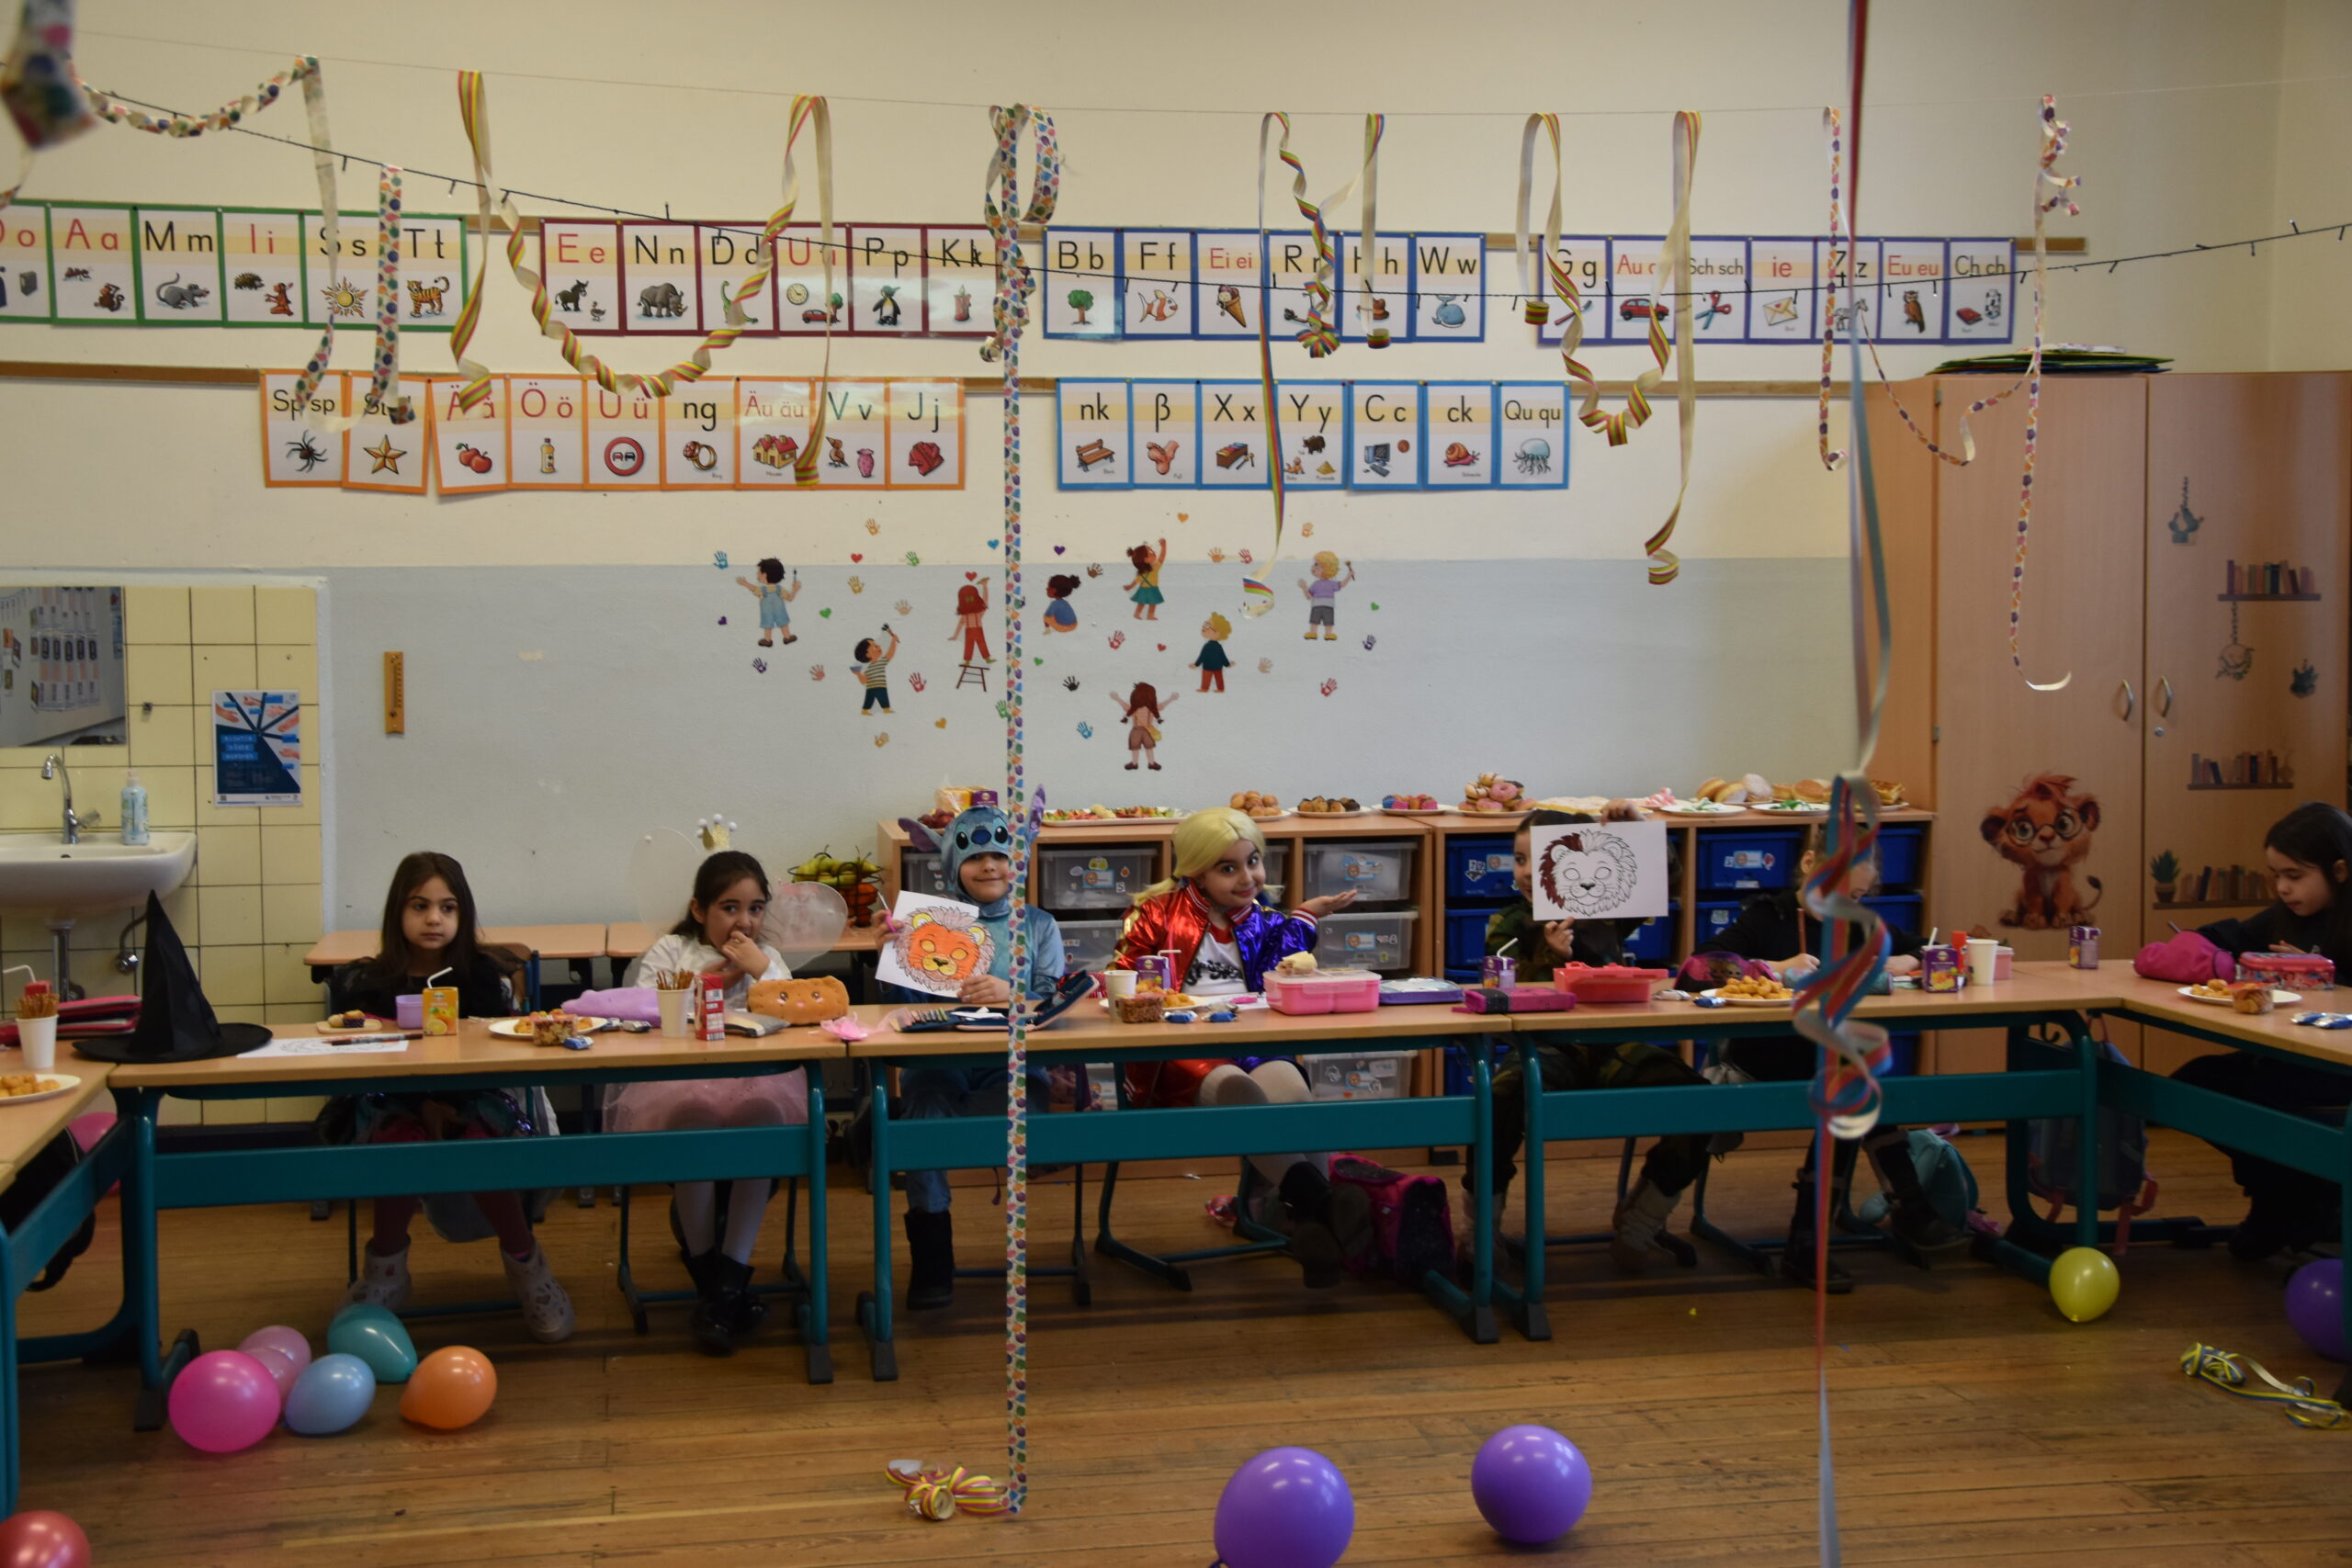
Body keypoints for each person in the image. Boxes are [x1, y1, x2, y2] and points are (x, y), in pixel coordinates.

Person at [326, 852, 573, 1341]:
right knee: (397, 1143)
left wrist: (450, 1102)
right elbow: (367, 1062)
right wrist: (423, 1104)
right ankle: (385, 1272)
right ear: (398, 912)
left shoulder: (482, 978)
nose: (434, 919)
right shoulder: (371, 983)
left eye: (448, 907)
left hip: (473, 1097)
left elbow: (495, 1057)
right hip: (395, 1100)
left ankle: (527, 1265)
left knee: (480, 1143)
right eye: (419, 906)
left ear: (463, 914)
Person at [1112, 808, 1358, 1285]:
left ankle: (1313, 1227)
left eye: (1253, 862)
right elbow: (1121, 976)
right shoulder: (1157, 913)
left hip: (1250, 1038)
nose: (1247, 878)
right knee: (1234, 1088)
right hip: (1177, 1049)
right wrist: (1139, 990)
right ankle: (1320, 1204)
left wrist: (1307, 915)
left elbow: (1285, 958)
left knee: (1292, 1089)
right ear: (1195, 871)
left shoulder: (1261, 919)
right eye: (1228, 868)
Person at [1705, 827, 1957, 1292]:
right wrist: (1776, 967)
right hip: (1762, 1057)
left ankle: (1811, 1238)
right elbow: (1703, 964)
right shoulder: (1770, 916)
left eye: (1857, 896)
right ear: (1808, 865)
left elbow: (1929, 948)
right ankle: (1905, 1206)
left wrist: (1909, 960)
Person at [1472, 807, 1712, 1271]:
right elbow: (1500, 984)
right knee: (1498, 1102)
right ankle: (1481, 1230)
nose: (1526, 872)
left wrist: (1638, 831)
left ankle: (1642, 1219)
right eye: (1519, 860)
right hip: (1544, 1049)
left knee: (1698, 1101)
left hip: (1611, 1046)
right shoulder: (1509, 922)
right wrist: (1549, 954)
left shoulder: (1606, 908)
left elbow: (1662, 879)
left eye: (1539, 859)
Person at [613, 851, 804, 1355]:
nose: (745, 922)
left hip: (756, 1084)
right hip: (683, 1084)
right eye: (729, 908)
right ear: (699, 910)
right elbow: (641, 1015)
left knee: (765, 1120)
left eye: (756, 909)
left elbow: (797, 1011)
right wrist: (709, 984)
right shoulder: (672, 950)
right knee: (692, 1119)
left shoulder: (767, 958)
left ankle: (728, 1281)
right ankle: (716, 1283)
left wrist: (763, 972)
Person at [878, 806, 1067, 1309]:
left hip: (1015, 1065)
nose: (989, 866)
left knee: (1018, 1105)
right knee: (924, 1111)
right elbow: (903, 1008)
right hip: (941, 1063)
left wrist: (1014, 993)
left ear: (1016, 860)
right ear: (950, 864)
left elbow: (1057, 1002)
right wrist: (892, 955)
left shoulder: (1038, 926)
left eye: (999, 855)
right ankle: (932, 1260)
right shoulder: (928, 923)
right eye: (974, 856)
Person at [2172, 801, 2352, 1259]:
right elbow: (2228, 937)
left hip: (2336, 1069)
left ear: (2340, 870)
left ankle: (2295, 1202)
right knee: (2193, 1085)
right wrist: (2192, 949)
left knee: (2245, 1095)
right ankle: (2283, 1199)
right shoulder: (2288, 914)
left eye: (2295, 875)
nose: (2283, 888)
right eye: (2276, 875)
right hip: (2290, 1057)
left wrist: (2322, 977)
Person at [734, 558, 799, 648]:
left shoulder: (763, 590)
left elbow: (753, 589)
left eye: (758, 572)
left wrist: (745, 583)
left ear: (764, 575)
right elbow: (789, 598)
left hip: (767, 611)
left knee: (769, 624)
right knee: (782, 622)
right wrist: (795, 590)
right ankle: (786, 637)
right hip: (778, 610)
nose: (757, 574)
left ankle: (768, 640)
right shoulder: (779, 589)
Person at [1114, 682, 1174, 772]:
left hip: (1138, 730)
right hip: (1147, 730)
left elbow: (1125, 706)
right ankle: (1150, 763)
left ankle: (1135, 764)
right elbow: (1162, 706)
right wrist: (1171, 699)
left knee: (1137, 748)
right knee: (1147, 748)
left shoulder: (1134, 708)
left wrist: (1117, 699)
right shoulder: (1152, 708)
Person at [1297, 551, 1354, 641]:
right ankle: (1313, 633)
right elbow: (1309, 597)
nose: (1313, 568)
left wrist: (1349, 576)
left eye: (1316, 565)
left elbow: (1342, 584)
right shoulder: (1315, 584)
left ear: (1327, 568)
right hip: (1317, 606)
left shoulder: (1331, 584)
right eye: (1314, 564)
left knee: (1329, 622)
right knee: (1314, 621)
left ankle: (1328, 634)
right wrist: (1304, 588)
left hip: (1328, 606)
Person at [852, 626, 899, 716]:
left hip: (878, 686)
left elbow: (890, 653)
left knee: (881, 698)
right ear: (868, 654)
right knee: (870, 700)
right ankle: (867, 710)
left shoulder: (880, 662)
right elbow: (864, 681)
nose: (879, 646)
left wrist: (893, 641)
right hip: (873, 687)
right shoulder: (870, 668)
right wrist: (858, 674)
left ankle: (885, 709)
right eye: (875, 646)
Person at [950, 578, 992, 664]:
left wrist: (985, 586)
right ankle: (967, 660)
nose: (969, 600)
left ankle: (987, 658)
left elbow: (985, 601)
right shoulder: (965, 616)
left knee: (981, 644)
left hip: (977, 630)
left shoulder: (979, 613)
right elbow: (960, 625)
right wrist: (955, 636)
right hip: (969, 631)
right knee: (969, 645)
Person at [1125, 538, 1166, 621]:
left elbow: (1136, 581)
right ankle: (1149, 616)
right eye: (1150, 552)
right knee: (1152, 604)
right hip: (1152, 589)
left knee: (1142, 603)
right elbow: (1162, 557)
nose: (1154, 552)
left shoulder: (1142, 572)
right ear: (1145, 559)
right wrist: (1164, 546)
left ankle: (1138, 614)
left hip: (1143, 590)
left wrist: (1130, 587)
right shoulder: (1155, 568)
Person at [1192, 613, 1233, 693]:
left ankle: (1205, 688)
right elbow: (1223, 656)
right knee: (1218, 677)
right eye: (1205, 624)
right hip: (1217, 666)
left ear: (1218, 633)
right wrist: (1227, 664)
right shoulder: (1218, 646)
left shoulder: (1207, 646)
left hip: (1208, 666)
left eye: (1207, 626)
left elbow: (1202, 656)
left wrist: (1196, 665)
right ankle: (1220, 689)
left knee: (1207, 678)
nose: (1204, 627)